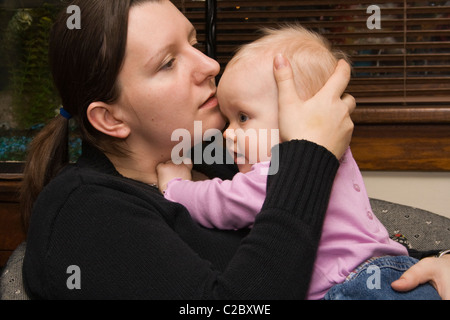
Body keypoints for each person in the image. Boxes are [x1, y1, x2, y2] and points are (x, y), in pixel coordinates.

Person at [18, 0, 449, 300]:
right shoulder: (84, 213)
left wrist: (438, 263)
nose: (209, 66)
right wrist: (308, 153)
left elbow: (340, 252)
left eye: (194, 43)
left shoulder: (223, 157)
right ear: (110, 118)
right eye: (168, 62)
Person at [156, 26, 446, 300]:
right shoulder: (336, 155)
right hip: (387, 272)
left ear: (301, 115)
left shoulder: (281, 169)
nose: (228, 133)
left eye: (243, 117)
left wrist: (176, 187)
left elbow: (223, 202)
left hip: (356, 285)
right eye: (229, 118)